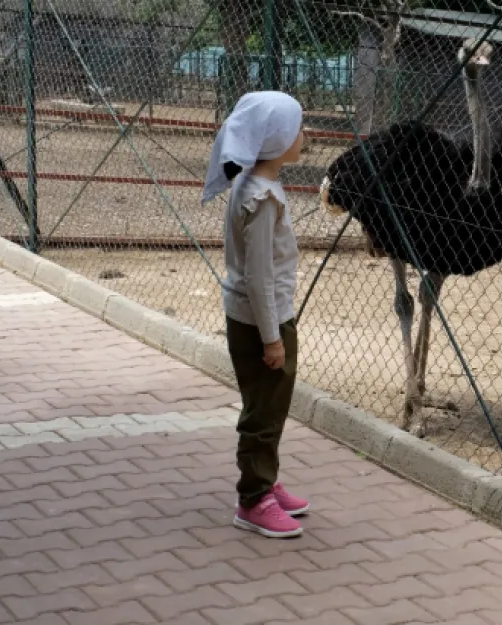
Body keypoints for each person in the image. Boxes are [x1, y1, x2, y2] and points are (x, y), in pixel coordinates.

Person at [201, 91, 310, 538]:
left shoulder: (251, 183)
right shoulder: (260, 198)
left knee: (271, 405)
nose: (306, 135)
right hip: (263, 320)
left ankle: (265, 480)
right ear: (277, 138)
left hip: (258, 315)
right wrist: (272, 339)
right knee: (263, 410)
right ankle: (253, 499)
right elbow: (261, 277)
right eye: (298, 128)